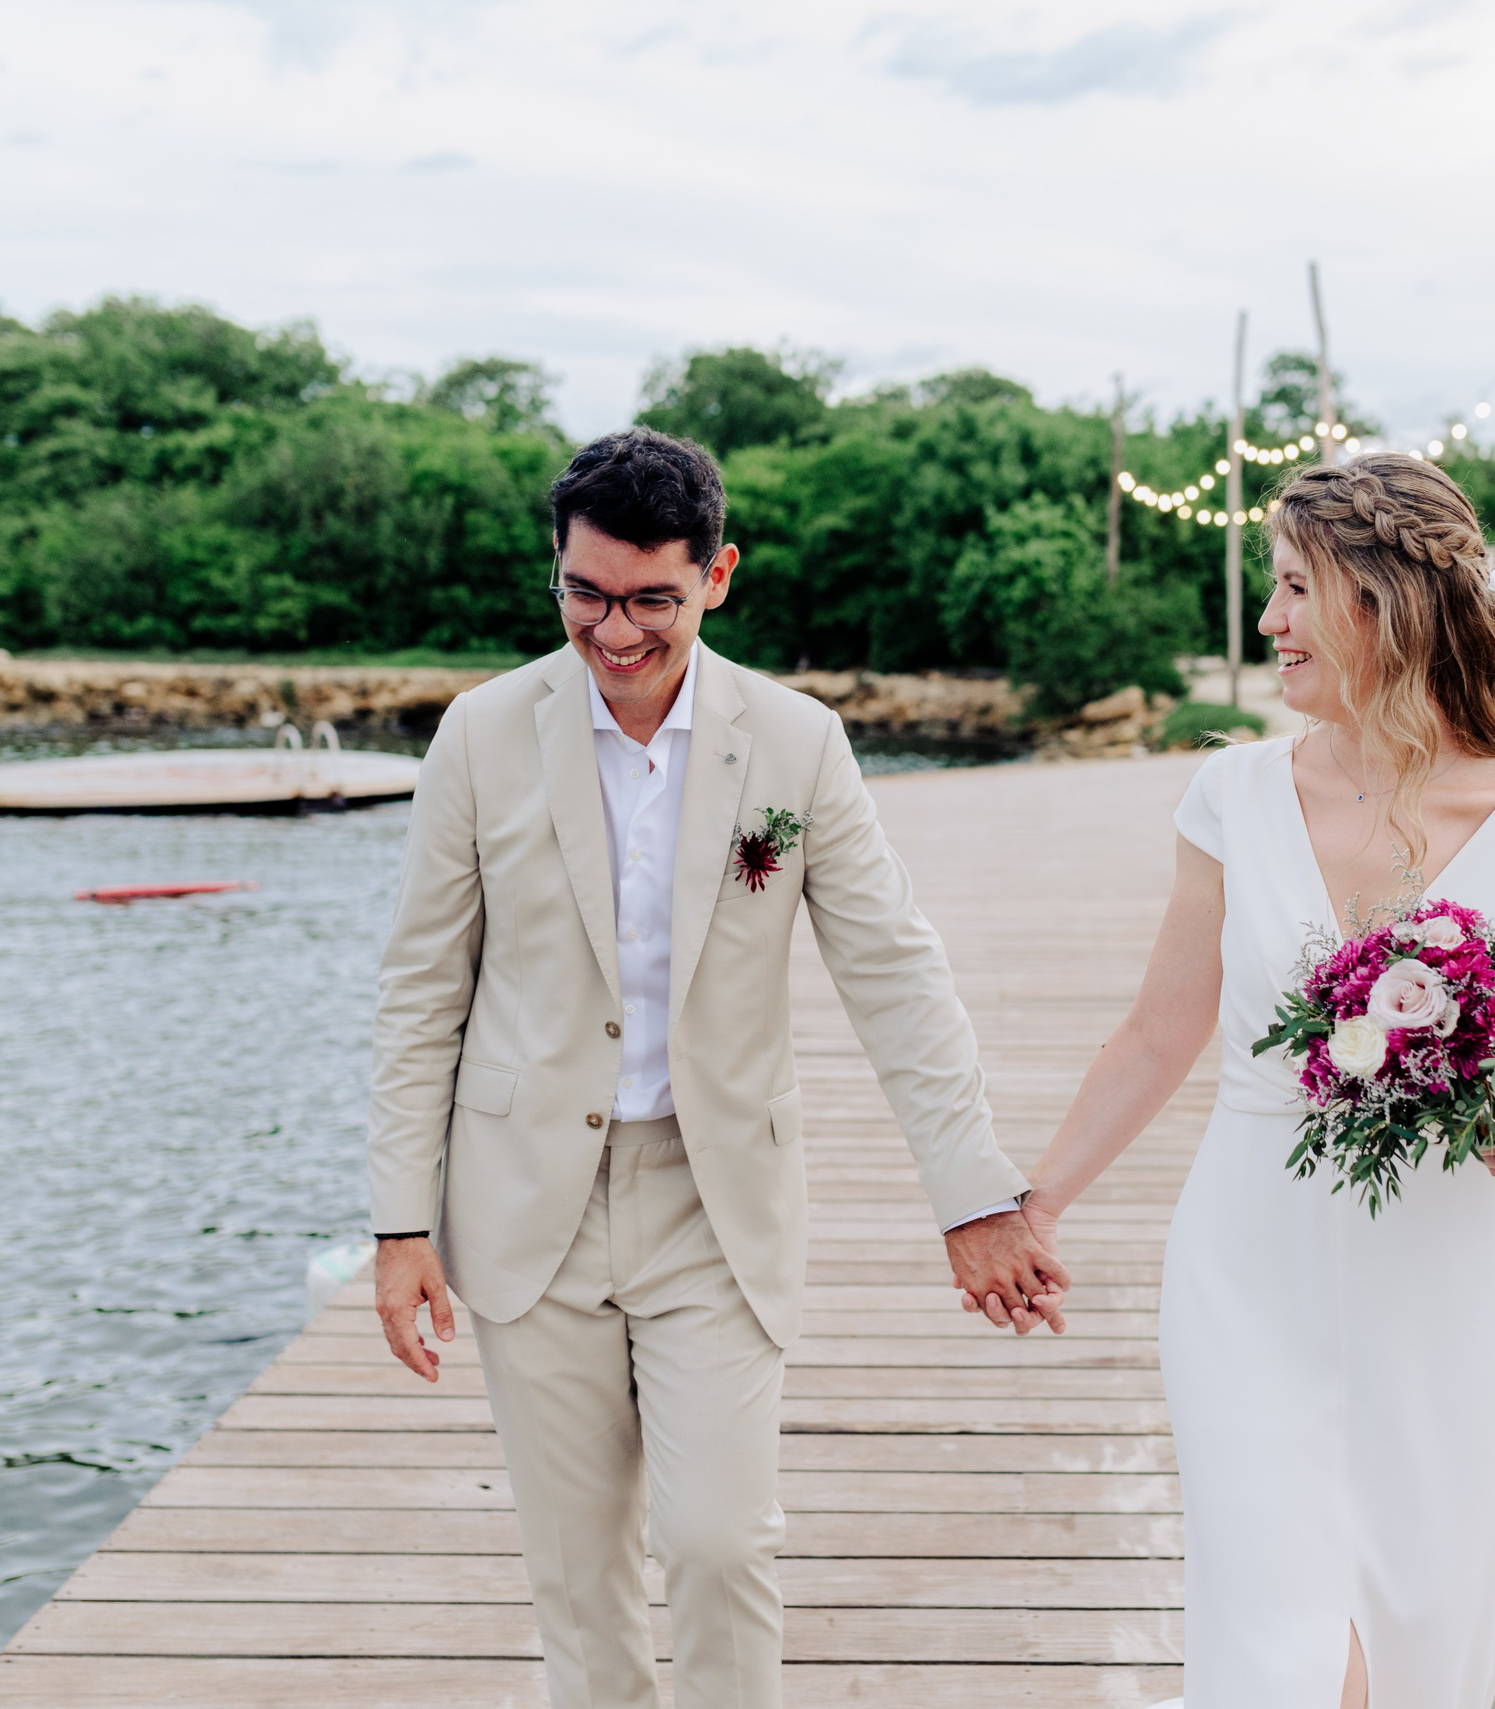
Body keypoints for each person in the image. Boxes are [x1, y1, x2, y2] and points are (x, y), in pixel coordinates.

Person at [363, 426, 1068, 1709]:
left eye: (651, 599)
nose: (614, 630)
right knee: (577, 1577)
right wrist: (398, 1221)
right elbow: (422, 992)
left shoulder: (793, 745)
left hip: (714, 1198)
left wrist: (974, 1191)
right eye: (585, 591)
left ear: (719, 574)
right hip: (525, 1202)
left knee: (720, 1541)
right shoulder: (478, 734)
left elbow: (893, 972)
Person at [996, 454, 1495, 1708]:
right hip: (1251, 1256)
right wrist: (1036, 1203)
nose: (1268, 621)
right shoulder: (1231, 792)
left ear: (1381, 607)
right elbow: (1156, 1032)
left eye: (1295, 589)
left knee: (1416, 1635)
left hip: (1450, 1268)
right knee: (1280, 1644)